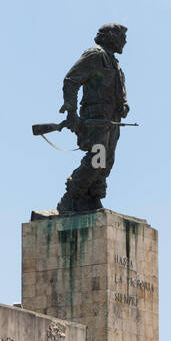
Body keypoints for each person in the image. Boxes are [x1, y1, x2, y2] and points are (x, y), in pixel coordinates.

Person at [55, 23, 130, 214]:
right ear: (110, 36)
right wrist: (71, 111)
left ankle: (92, 197)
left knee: (107, 161)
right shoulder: (96, 55)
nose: (125, 41)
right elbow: (71, 80)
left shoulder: (113, 62)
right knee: (97, 158)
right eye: (121, 36)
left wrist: (124, 104)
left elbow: (118, 91)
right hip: (95, 119)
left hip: (112, 121)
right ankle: (71, 198)